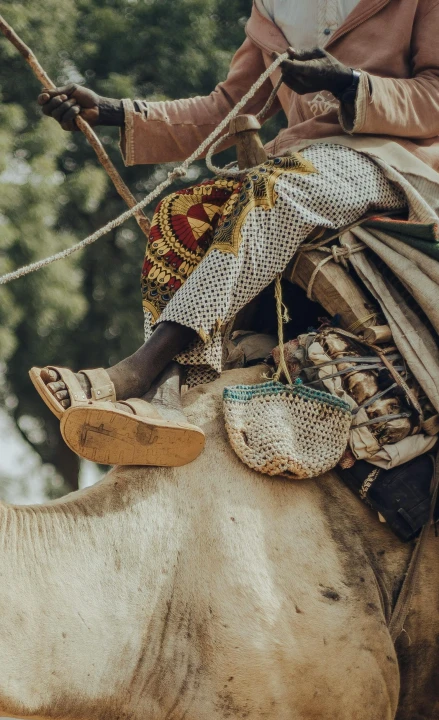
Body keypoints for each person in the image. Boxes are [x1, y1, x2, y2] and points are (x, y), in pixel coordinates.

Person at [33, 0, 439, 467]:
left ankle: (141, 368)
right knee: (181, 211)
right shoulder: (274, 8)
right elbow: (229, 106)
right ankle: (167, 398)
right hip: (302, 161)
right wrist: (113, 111)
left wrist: (349, 86)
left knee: (276, 188)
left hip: (396, 163)